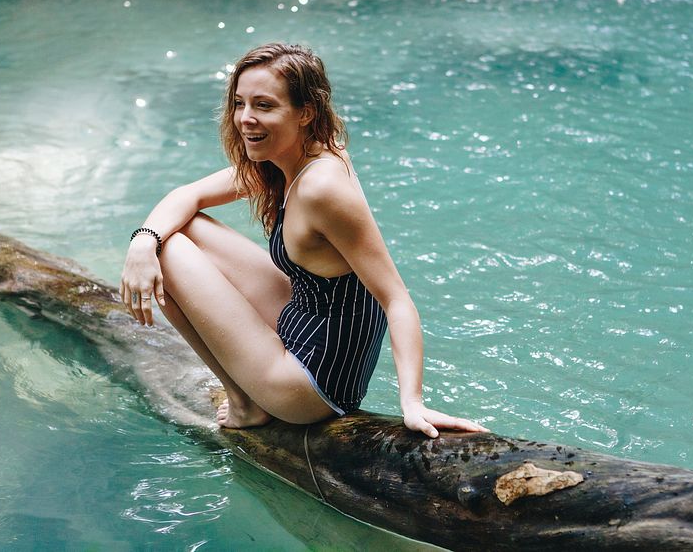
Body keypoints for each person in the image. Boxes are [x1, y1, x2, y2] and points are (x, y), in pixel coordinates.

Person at [120, 42, 486, 438]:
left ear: (305, 112)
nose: (245, 118)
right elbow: (187, 196)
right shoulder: (293, 156)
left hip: (310, 385)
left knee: (169, 248)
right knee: (175, 229)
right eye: (240, 103)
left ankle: (245, 404)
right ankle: (243, 395)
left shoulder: (321, 188)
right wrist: (141, 243)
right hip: (303, 321)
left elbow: (395, 298)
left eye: (264, 105)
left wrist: (412, 403)